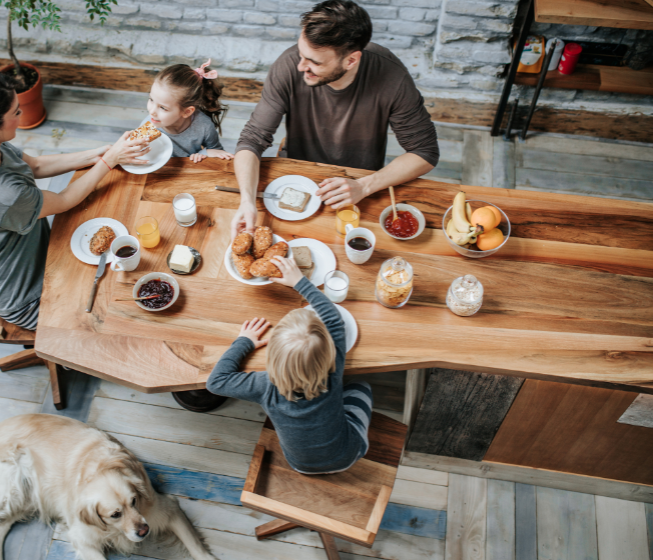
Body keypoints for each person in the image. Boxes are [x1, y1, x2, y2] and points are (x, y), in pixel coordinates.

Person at [0, 64, 150, 330]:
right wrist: (109, 161)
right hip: (28, 298)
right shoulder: (5, 195)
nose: (21, 114)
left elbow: (35, 165)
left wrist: (101, 153)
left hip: (41, 254)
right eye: (15, 112)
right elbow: (64, 201)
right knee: (112, 319)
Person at [230, 0, 440, 239]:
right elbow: (252, 140)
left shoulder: (392, 77)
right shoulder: (287, 66)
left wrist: (365, 185)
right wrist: (247, 201)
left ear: (351, 60)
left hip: (360, 184)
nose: (301, 67)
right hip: (299, 177)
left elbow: (425, 152)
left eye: (315, 62)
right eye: (301, 54)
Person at [206, 257, 373, 474]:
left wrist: (244, 341)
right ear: (329, 353)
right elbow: (334, 319)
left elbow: (215, 382)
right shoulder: (333, 368)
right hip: (348, 454)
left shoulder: (264, 386)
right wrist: (300, 282)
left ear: (273, 355)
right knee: (361, 386)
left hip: (300, 465)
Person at [144, 59, 234, 163]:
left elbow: (218, 153)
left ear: (187, 112)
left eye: (163, 108)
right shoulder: (149, 124)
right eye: (151, 99)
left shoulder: (204, 126)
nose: (152, 111)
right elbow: (139, 153)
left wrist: (203, 154)